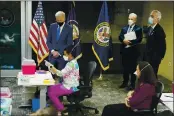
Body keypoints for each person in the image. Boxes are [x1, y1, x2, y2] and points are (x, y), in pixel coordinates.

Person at [46, 45, 80, 116]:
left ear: (70, 54)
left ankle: (62, 109)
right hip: (67, 84)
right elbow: (63, 72)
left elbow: (60, 73)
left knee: (51, 93)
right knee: (50, 88)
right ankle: (58, 105)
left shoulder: (71, 64)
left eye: (65, 54)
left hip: (70, 87)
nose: (64, 56)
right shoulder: (72, 62)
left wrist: (51, 66)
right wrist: (52, 68)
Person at [119, 13, 143, 90]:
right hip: (125, 51)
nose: (130, 20)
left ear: (135, 20)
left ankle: (132, 84)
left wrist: (129, 42)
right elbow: (120, 36)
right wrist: (123, 40)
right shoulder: (124, 28)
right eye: (129, 18)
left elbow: (139, 39)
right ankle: (125, 82)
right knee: (125, 68)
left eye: (131, 19)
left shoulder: (138, 29)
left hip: (133, 52)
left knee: (133, 69)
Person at [143, 10, 166, 78]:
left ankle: (153, 88)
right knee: (146, 76)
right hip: (147, 57)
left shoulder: (159, 30)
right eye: (150, 16)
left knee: (152, 76)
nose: (150, 18)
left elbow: (162, 46)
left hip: (154, 59)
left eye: (152, 16)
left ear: (158, 19)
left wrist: (158, 58)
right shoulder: (150, 28)